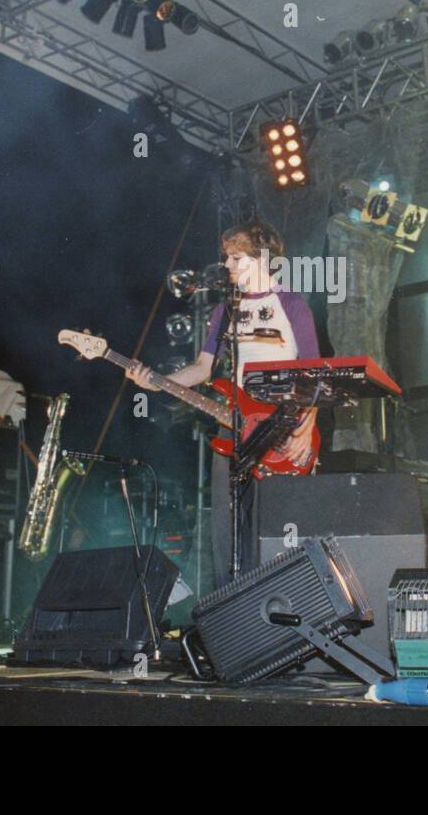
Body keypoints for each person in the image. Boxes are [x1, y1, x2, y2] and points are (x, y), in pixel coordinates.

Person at [127, 220, 319, 586]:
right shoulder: (225, 312)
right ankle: (229, 602)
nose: (227, 266)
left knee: (276, 525)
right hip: (235, 421)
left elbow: (312, 375)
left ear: (261, 260)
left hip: (282, 423)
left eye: (236, 258)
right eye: (227, 258)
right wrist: (155, 382)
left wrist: (306, 428)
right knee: (225, 525)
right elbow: (202, 369)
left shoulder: (292, 305)